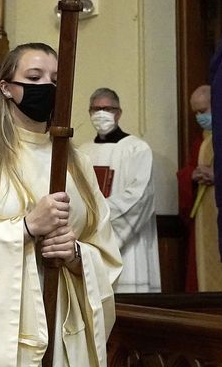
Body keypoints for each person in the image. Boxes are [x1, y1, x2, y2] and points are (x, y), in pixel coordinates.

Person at [0, 42, 122, 366]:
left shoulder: (77, 163)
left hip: (64, 326)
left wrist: (75, 256)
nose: (48, 86)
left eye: (56, 79)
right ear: (6, 87)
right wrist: (27, 228)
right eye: (34, 77)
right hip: (5, 334)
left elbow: (105, 252)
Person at [79, 87, 161, 293]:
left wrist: (101, 213)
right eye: (95, 109)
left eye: (107, 108)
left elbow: (140, 195)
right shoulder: (82, 151)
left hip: (128, 242)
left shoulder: (137, 149)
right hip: (92, 238)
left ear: (119, 112)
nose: (101, 114)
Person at [175, 84, 222, 291]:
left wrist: (219, 177)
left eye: (202, 111)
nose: (199, 117)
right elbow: (188, 170)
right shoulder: (202, 140)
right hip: (205, 216)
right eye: (196, 112)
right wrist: (191, 175)